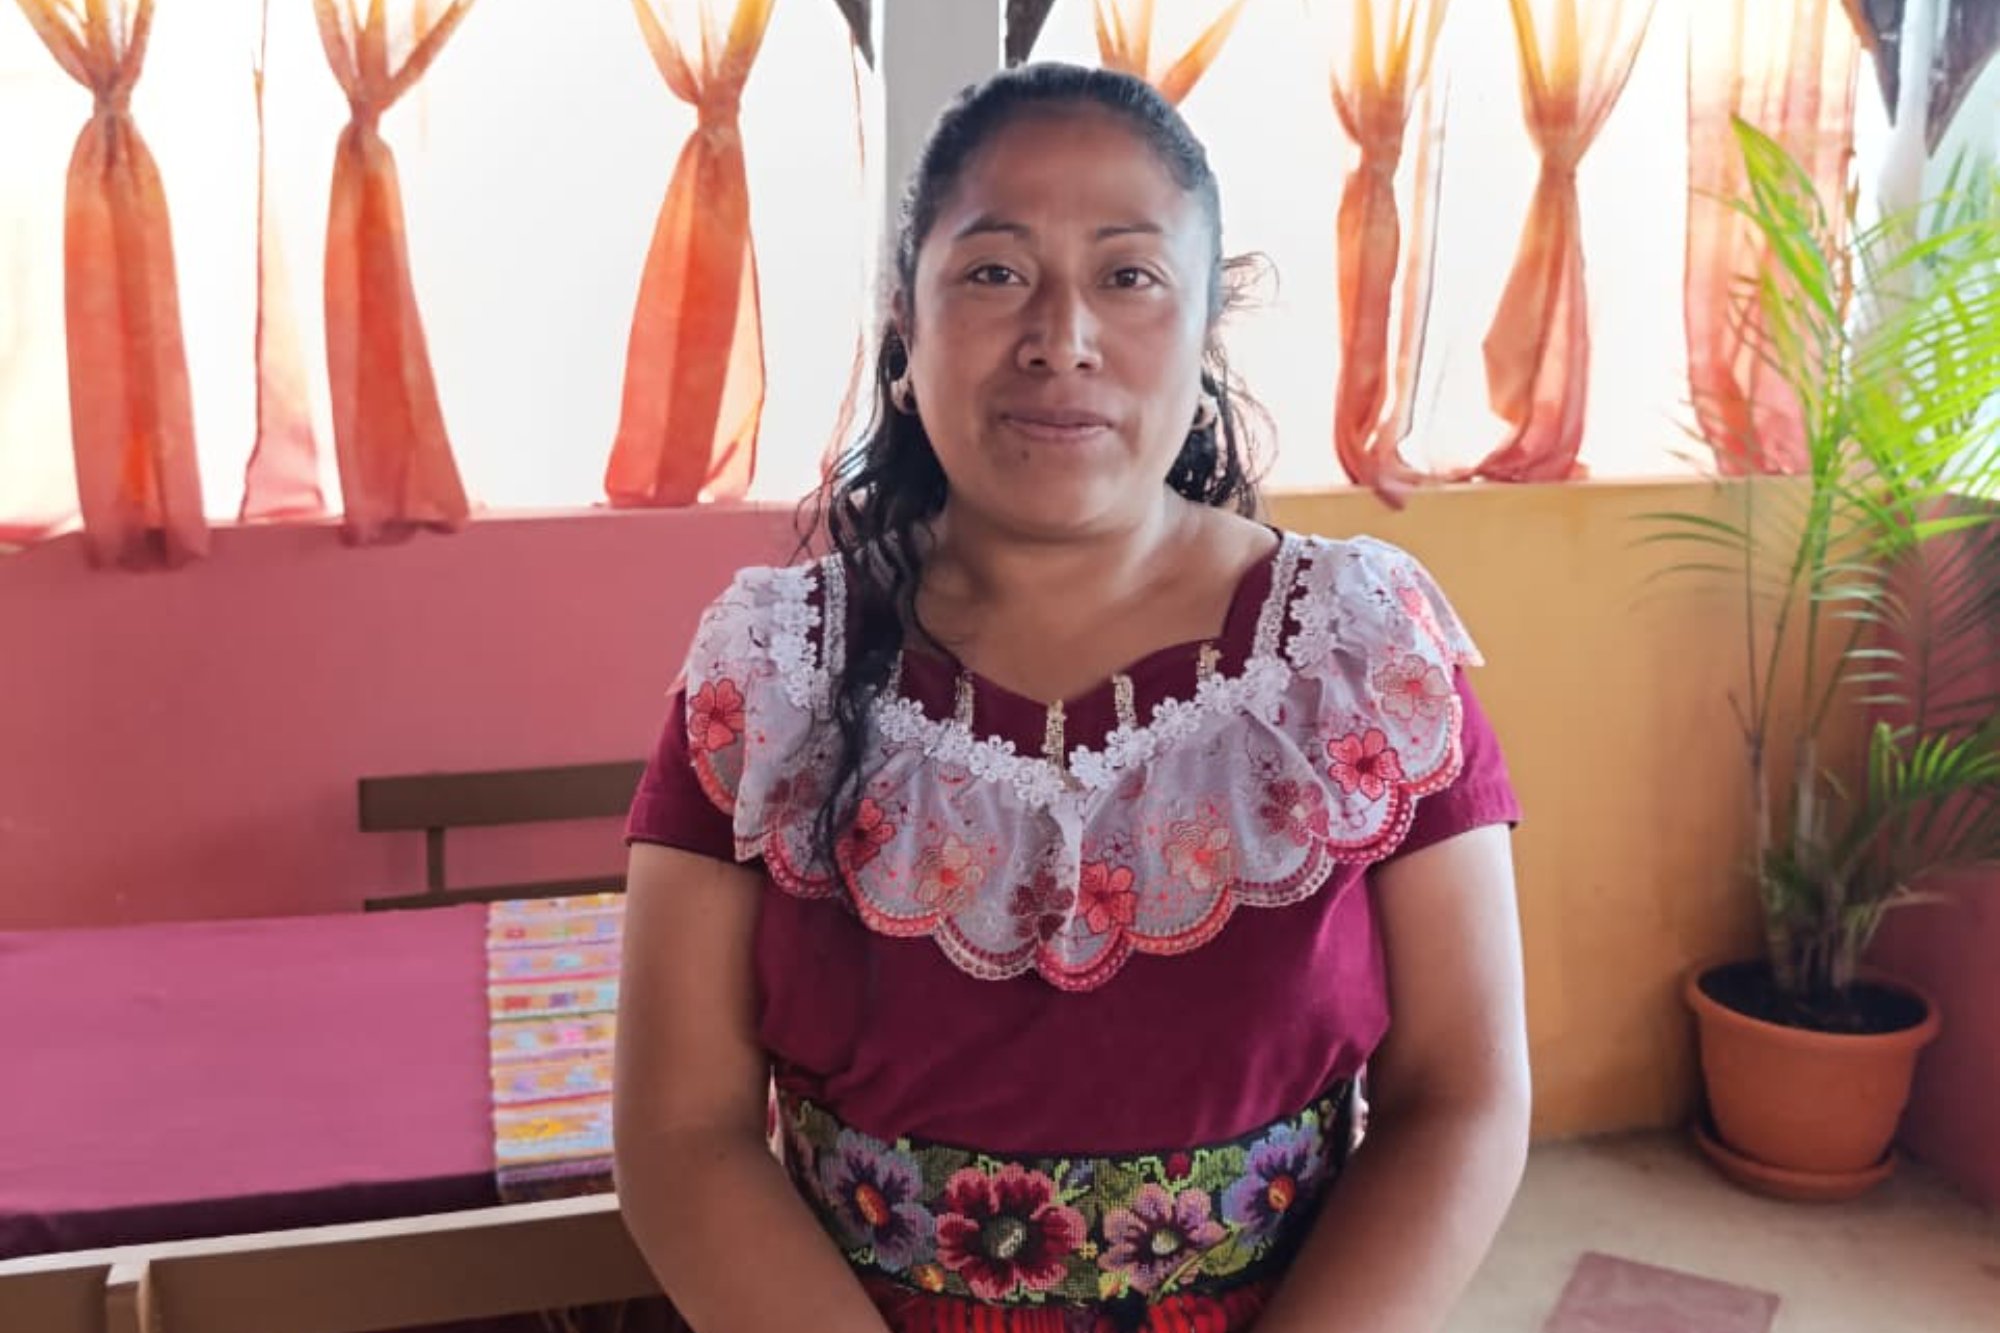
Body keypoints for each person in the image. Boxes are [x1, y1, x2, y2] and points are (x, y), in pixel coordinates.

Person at [613, 62, 1530, 1333]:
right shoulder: (766, 673)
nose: (1061, 337)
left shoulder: (1359, 656)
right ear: (903, 329)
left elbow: (1461, 1096)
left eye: (1128, 275)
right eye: (994, 272)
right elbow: (680, 1133)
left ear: (1205, 335)